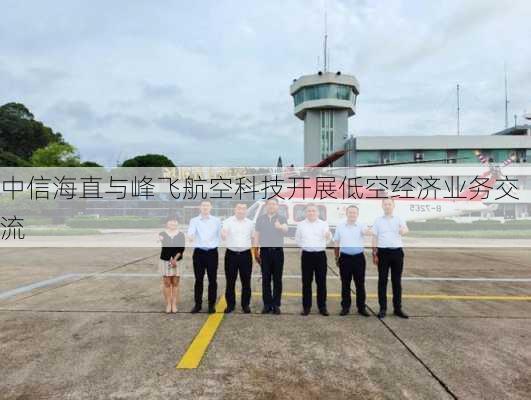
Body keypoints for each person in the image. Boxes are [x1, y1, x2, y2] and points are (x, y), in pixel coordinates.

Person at [371, 198, 409, 319]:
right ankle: (383, 309)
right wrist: (374, 253)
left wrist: (403, 231)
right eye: (385, 204)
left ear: (393, 206)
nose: (387, 206)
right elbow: (374, 237)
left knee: (396, 282)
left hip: (397, 252)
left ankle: (397, 308)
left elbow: (406, 229)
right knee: (382, 281)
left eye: (389, 204)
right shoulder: (377, 220)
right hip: (383, 253)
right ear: (382, 206)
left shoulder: (399, 219)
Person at [333, 205, 371, 317]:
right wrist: (336, 257)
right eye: (350, 212)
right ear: (347, 213)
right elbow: (336, 242)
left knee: (360, 284)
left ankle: (361, 308)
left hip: (359, 258)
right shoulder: (340, 226)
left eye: (354, 213)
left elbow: (366, 232)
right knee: (345, 284)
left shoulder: (362, 225)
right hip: (345, 258)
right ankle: (345, 307)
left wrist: (368, 231)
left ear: (357, 214)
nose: (352, 214)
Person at [295, 203, 332, 316]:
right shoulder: (301, 225)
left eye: (313, 211)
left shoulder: (323, 224)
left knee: (321, 282)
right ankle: (306, 307)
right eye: (309, 211)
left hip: (320, 256)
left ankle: (322, 307)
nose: (311, 213)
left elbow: (328, 239)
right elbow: (297, 240)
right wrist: (306, 245)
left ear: (317, 212)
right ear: (306, 213)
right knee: (306, 283)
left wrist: (327, 237)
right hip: (307, 256)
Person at [254, 197, 288, 315]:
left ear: (277, 206)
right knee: (266, 279)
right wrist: (255, 250)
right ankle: (267, 304)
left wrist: (280, 227)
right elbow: (257, 235)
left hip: (278, 252)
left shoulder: (282, 218)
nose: (271, 206)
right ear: (266, 206)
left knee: (277, 279)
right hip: (264, 252)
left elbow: (286, 230)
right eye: (269, 204)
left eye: (274, 204)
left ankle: (276, 304)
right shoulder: (260, 219)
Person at [187, 200, 221, 314]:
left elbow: (222, 234)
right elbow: (191, 232)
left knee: (212, 280)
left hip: (212, 253)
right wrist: (190, 236)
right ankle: (198, 305)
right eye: (203, 205)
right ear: (199, 207)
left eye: (207, 205)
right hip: (199, 253)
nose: (205, 207)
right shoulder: (194, 221)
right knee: (199, 280)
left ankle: (211, 305)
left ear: (211, 207)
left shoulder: (217, 221)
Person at [221, 203, 255, 314]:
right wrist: (223, 234)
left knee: (246, 281)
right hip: (231, 255)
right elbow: (223, 233)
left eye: (243, 209)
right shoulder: (228, 221)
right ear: (235, 209)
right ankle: (230, 305)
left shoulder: (251, 223)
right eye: (239, 208)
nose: (241, 211)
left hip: (246, 255)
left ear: (246, 210)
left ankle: (245, 305)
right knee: (230, 281)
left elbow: (254, 238)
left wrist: (256, 253)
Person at [158, 217, 185, 313]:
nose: (173, 223)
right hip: (165, 261)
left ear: (177, 223)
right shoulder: (162, 234)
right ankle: (168, 304)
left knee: (175, 283)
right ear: (167, 223)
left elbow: (181, 249)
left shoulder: (181, 235)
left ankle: (174, 303)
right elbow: (165, 248)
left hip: (177, 261)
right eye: (171, 221)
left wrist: (174, 260)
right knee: (167, 283)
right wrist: (170, 259)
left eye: (175, 222)